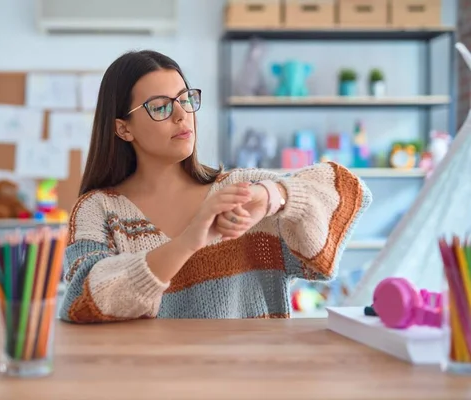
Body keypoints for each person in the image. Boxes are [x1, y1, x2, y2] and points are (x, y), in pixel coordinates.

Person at [58, 50, 372, 323]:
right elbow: (80, 301)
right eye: (160, 106)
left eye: (185, 100)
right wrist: (189, 240)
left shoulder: (238, 191)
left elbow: (348, 190)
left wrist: (271, 196)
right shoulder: (97, 209)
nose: (182, 115)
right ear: (123, 128)